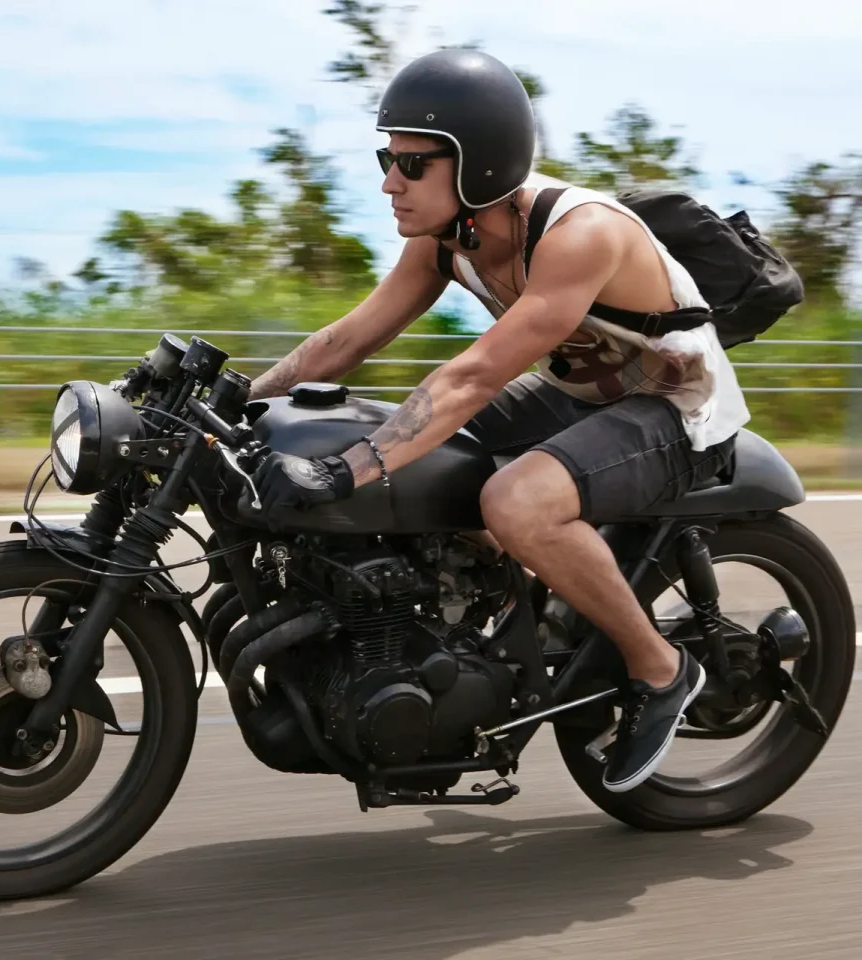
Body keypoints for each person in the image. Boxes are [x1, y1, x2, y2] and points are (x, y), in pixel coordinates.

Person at [246, 47, 750, 793]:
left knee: (512, 499)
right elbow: (349, 340)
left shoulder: (580, 233)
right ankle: (483, 612)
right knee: (411, 457)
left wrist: (346, 468)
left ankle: (662, 668)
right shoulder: (449, 239)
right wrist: (243, 401)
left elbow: (476, 375)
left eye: (412, 165)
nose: (389, 180)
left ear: (479, 164)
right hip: (579, 393)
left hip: (674, 406)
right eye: (388, 158)